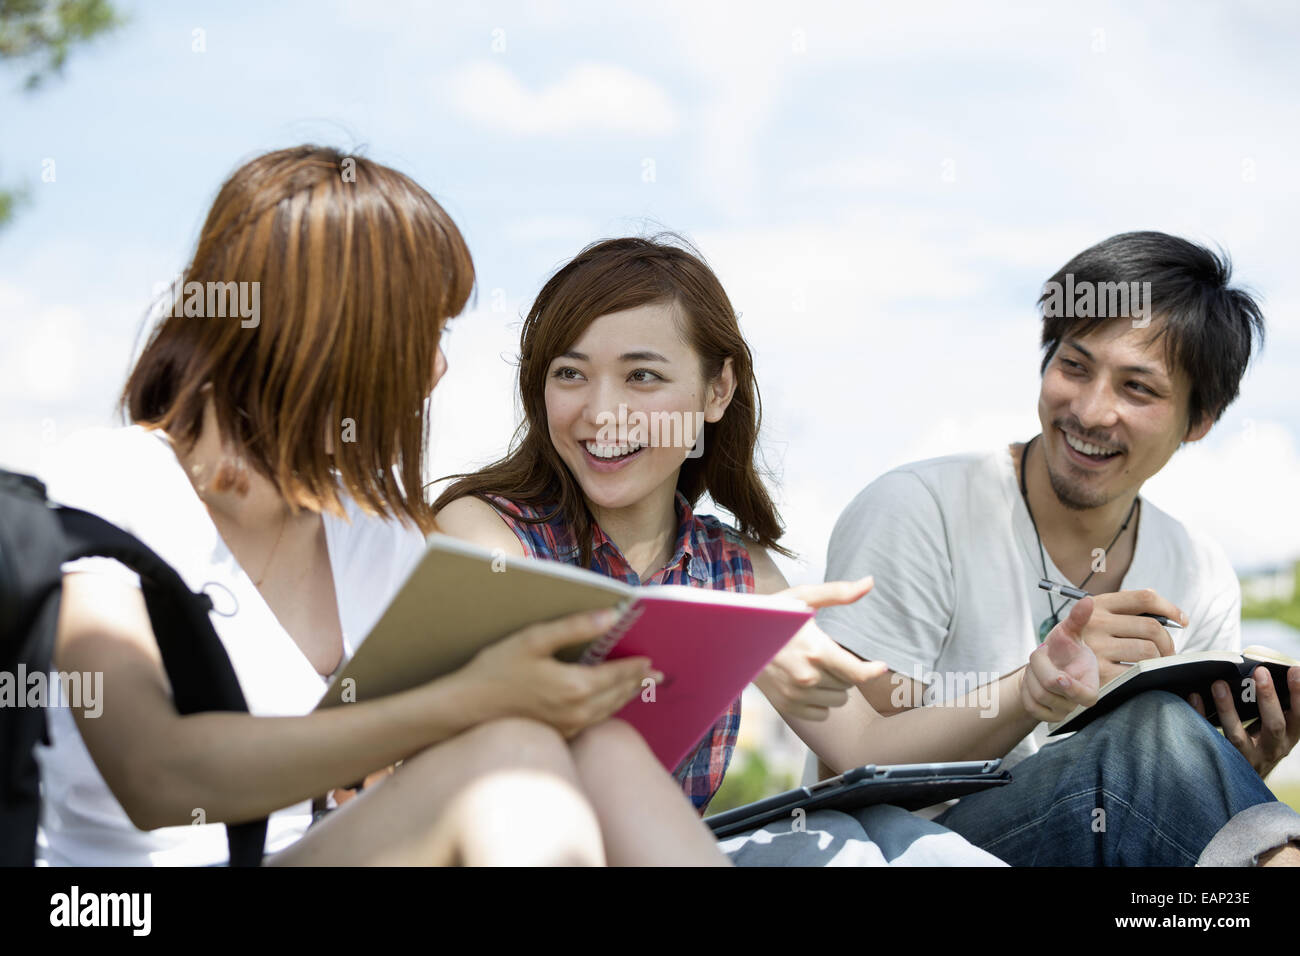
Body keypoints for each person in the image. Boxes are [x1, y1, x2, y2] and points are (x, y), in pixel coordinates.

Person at [36, 146, 727, 866]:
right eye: (423, 333)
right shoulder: (110, 484)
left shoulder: (375, 534)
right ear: (327, 336)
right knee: (505, 751)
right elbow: (154, 773)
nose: (438, 367)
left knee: (589, 741)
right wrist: (459, 703)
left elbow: (398, 765)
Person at [433, 235, 1104, 865]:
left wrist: (1030, 686)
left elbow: (867, 745)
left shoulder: (738, 569)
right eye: (570, 374)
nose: (602, 410)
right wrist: (711, 639)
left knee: (885, 840)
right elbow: (539, 717)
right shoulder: (483, 530)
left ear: (717, 390)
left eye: (641, 377)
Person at [813, 231, 1300, 866]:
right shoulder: (918, 509)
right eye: (1073, 366)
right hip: (909, 852)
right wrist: (1032, 689)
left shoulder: (1199, 571)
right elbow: (850, 773)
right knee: (1148, 734)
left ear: (1199, 421)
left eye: (1138, 389)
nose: (1092, 411)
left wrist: (1234, 767)